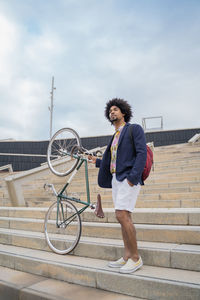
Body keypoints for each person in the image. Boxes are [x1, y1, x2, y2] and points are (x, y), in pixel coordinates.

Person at [89, 98, 147, 274]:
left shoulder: (133, 129)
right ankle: (127, 256)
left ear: (123, 112)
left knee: (122, 215)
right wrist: (95, 161)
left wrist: (132, 177)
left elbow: (141, 153)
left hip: (128, 178)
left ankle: (136, 258)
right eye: (110, 110)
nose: (112, 112)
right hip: (116, 179)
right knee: (122, 217)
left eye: (115, 109)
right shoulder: (114, 137)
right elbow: (112, 161)